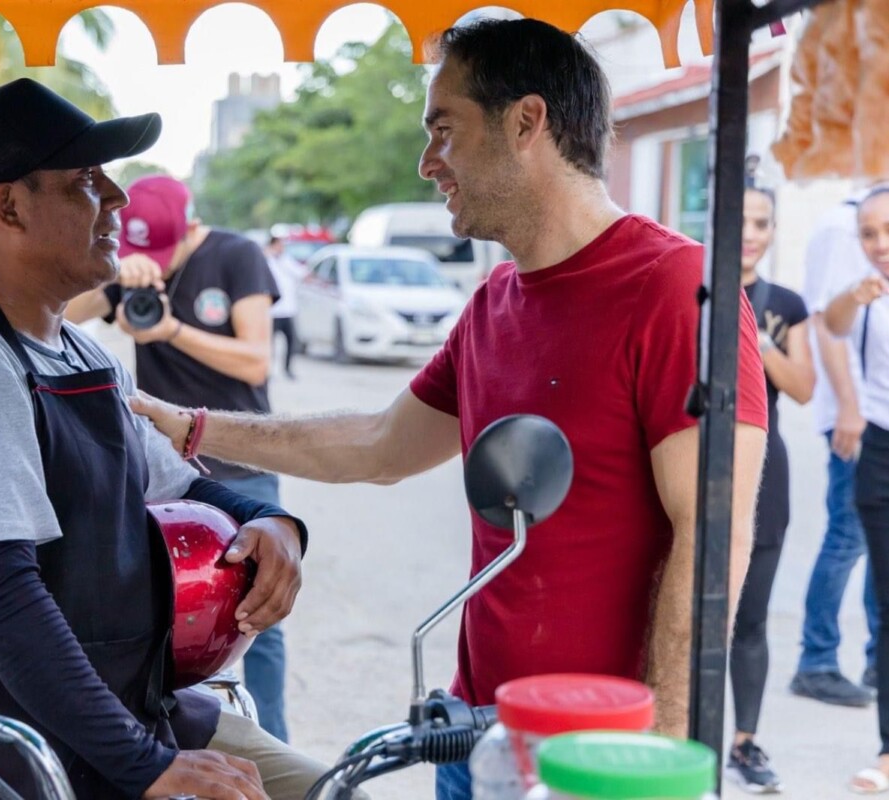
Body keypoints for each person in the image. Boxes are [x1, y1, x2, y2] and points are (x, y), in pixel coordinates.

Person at [129, 18, 769, 800]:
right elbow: (377, 444)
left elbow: (711, 537)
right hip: (478, 734)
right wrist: (188, 426)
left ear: (525, 122)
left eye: (443, 131)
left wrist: (657, 755)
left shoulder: (673, 286)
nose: (426, 163)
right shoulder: (495, 301)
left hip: (598, 756)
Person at [0, 78, 330, 800]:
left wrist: (270, 521)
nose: (117, 199)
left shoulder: (84, 352)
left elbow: (180, 485)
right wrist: (148, 766)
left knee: (331, 788)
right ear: (8, 206)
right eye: (86, 180)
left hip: (128, 701)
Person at [66, 176, 293, 744]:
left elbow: (255, 360)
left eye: (163, 251)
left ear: (191, 226)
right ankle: (181, 730)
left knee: (258, 614)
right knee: (172, 613)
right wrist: (115, 278)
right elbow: (59, 316)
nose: (157, 264)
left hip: (240, 466)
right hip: (165, 478)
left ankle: (271, 739)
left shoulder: (237, 256)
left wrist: (171, 330)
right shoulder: (132, 268)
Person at [725, 187, 814, 795]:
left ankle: (744, 742)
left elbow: (804, 387)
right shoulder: (691, 291)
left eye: (762, 223)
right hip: (695, 464)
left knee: (750, 619)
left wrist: (756, 340)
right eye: (742, 220)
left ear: (774, 231)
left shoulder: (786, 304)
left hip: (765, 472)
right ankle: (676, 734)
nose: (751, 233)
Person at [790, 193, 880, 709]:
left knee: (877, 538)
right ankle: (816, 661)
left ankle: (877, 659)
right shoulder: (840, 225)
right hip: (855, 415)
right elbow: (826, 322)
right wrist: (848, 406)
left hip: (876, 413)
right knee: (848, 534)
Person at [826, 188, 889, 795]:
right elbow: (834, 323)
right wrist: (856, 293)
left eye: (888, 230)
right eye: (869, 234)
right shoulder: (865, 292)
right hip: (881, 455)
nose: (880, 245)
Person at [265, 235, 306, 379]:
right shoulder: (266, 260)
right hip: (272, 311)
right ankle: (268, 369)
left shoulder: (287, 260)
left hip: (288, 309)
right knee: (269, 343)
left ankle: (287, 368)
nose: (281, 248)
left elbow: (302, 273)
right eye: (279, 245)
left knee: (291, 341)